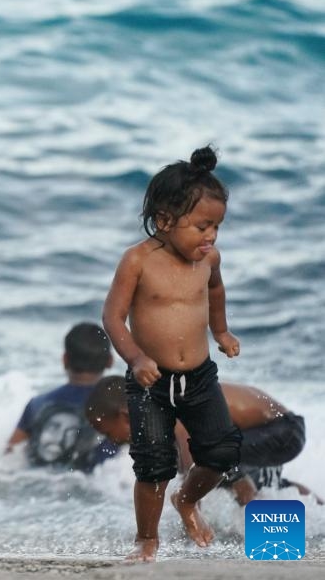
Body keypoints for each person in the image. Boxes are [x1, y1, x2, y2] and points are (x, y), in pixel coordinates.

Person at [102, 145, 242, 562]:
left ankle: (187, 500)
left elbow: (215, 290)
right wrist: (137, 359)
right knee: (153, 464)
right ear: (164, 220)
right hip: (152, 381)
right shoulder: (137, 261)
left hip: (199, 376)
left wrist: (221, 330)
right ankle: (146, 539)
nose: (211, 236)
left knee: (221, 452)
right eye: (201, 226)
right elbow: (112, 318)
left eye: (216, 226)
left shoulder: (209, 258)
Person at [86, 376, 320, 505]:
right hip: (270, 432)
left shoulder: (168, 407)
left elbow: (195, 464)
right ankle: (314, 518)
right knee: (262, 483)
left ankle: (255, 519)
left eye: (108, 433)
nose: (112, 441)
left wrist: (189, 516)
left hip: (281, 429)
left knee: (211, 464)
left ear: (125, 416)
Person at [4, 322, 118, 471]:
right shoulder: (119, 408)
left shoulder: (37, 405)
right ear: (110, 361)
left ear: (64, 359)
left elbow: (9, 456)